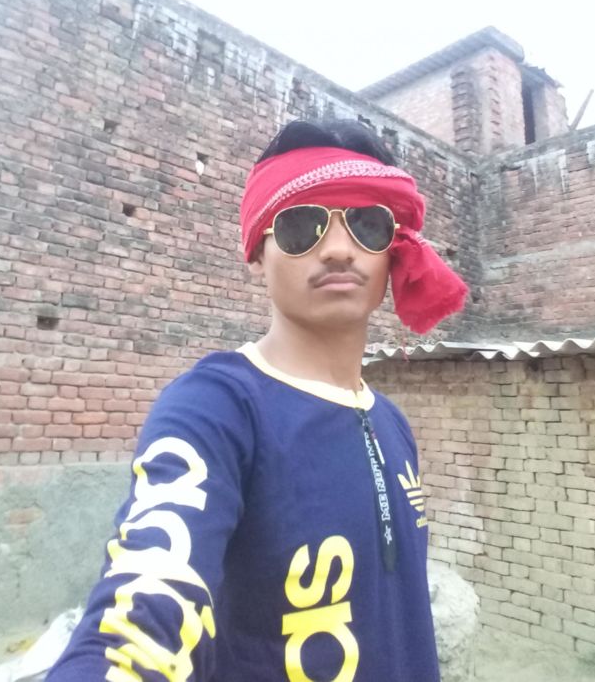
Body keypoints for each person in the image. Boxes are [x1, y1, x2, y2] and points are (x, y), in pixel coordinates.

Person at [47, 118, 467, 682]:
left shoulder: (391, 423)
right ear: (257, 254)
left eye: (367, 225)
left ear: (393, 252)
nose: (338, 250)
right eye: (300, 227)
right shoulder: (215, 409)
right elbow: (148, 600)